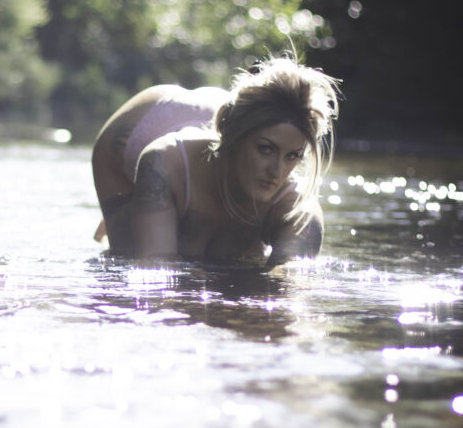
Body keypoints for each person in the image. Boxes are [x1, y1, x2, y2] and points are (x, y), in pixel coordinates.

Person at [90, 55, 340, 268]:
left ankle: (160, 209)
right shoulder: (164, 160)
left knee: (240, 258)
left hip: (239, 128)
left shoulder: (299, 210)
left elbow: (289, 289)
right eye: (265, 150)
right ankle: (139, 210)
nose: (277, 171)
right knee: (128, 253)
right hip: (140, 128)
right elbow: (155, 277)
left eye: (292, 156)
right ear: (233, 138)